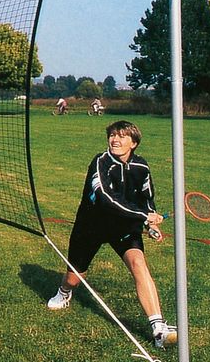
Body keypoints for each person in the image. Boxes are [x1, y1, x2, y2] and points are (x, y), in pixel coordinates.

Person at [46, 120, 177, 348]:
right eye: (112, 135)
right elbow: (106, 200)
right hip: (91, 226)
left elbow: (146, 200)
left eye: (122, 136)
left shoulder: (142, 167)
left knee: (138, 264)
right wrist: (143, 216)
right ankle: (64, 292)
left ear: (133, 143)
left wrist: (150, 223)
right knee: (75, 277)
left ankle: (158, 329)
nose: (115, 139)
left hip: (124, 228)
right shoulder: (100, 162)